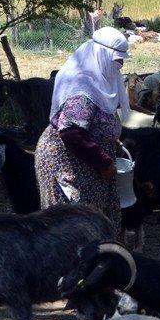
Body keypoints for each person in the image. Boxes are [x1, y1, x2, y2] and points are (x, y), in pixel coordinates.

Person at [35, 27, 130, 236]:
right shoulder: (82, 87)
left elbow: (92, 121)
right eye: (118, 60)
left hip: (86, 161)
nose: (121, 65)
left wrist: (109, 139)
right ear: (102, 56)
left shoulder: (98, 82)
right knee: (74, 226)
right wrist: (104, 162)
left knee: (95, 222)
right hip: (67, 162)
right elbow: (71, 132)